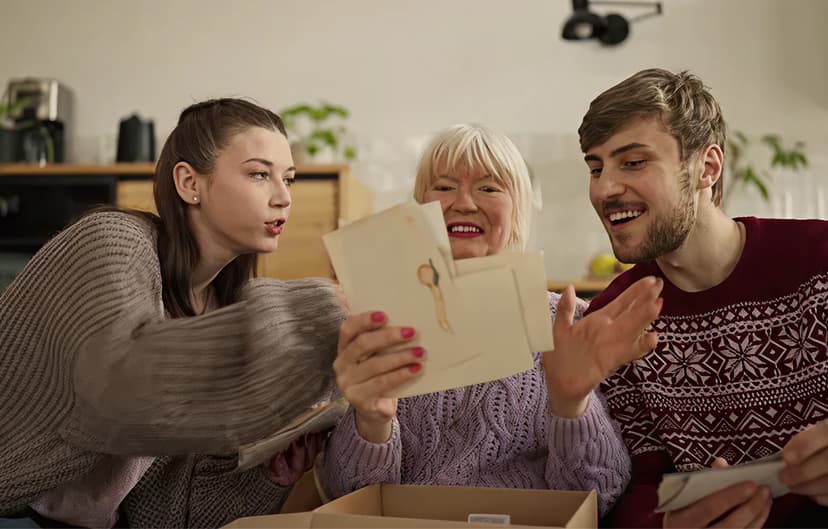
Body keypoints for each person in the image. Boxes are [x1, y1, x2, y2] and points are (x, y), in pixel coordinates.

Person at [0, 98, 347, 528]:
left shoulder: (219, 306)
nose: (283, 198)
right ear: (188, 183)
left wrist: (269, 477)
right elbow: (120, 395)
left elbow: (172, 512)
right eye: (260, 174)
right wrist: (316, 309)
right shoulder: (111, 241)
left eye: (289, 179)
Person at [321, 124, 665, 517]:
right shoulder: (380, 325)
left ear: (517, 211)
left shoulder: (566, 325)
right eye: (444, 186)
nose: (463, 202)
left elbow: (599, 495)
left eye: (489, 188)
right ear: (418, 210)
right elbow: (346, 496)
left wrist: (572, 406)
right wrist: (372, 423)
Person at [577, 68, 828, 527]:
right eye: (596, 167)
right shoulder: (614, 318)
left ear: (707, 168)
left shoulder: (820, 263)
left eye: (633, 163)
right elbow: (636, 485)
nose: (605, 188)